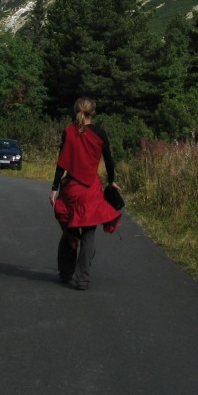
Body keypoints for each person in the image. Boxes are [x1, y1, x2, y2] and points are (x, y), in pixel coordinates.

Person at [50, 97, 121, 291]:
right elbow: (109, 161)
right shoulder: (100, 134)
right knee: (89, 234)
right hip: (90, 189)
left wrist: (55, 187)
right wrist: (112, 181)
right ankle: (82, 279)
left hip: (71, 189)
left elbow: (61, 163)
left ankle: (65, 272)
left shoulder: (69, 132)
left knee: (69, 232)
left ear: (76, 111)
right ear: (93, 112)